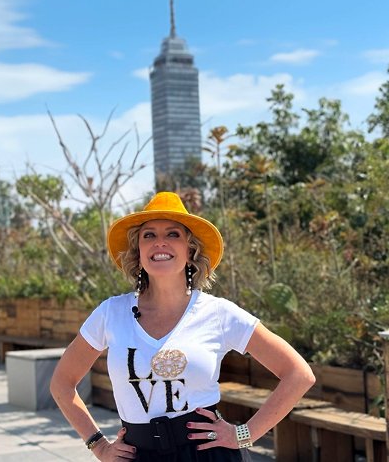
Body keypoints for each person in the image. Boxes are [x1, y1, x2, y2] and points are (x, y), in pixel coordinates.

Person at [50, 192, 316, 461]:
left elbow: (299, 374)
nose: (160, 243)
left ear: (190, 250)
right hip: (137, 455)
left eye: (173, 234)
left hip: (208, 454)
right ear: (138, 251)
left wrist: (245, 434)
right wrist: (98, 445)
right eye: (149, 235)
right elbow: (62, 383)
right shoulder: (110, 313)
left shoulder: (218, 313)